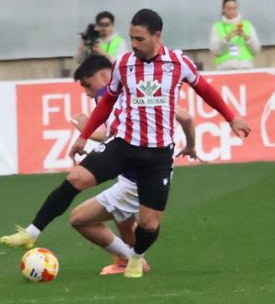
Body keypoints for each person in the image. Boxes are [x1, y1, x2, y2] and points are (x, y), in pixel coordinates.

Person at [6, 10, 251, 278]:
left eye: (140, 39)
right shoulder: (124, 64)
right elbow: (109, 101)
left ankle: (135, 257)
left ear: (157, 36)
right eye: (131, 38)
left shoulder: (178, 63)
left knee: (149, 224)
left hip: (158, 156)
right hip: (124, 146)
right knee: (75, 178)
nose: (134, 44)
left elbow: (205, 90)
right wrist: (84, 135)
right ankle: (31, 233)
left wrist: (231, 117)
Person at [64, 55, 200, 276]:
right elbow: (185, 116)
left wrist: (84, 128)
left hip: (137, 178)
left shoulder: (109, 95)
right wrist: (191, 145)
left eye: (88, 86)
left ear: (104, 76)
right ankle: (129, 259)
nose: (88, 93)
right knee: (124, 219)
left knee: (79, 219)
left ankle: (130, 260)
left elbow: (110, 133)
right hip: (141, 173)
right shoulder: (136, 88)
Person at [208, 0, 261, 70]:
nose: (232, 11)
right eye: (229, 8)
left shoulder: (247, 25)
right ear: (223, 9)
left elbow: (256, 50)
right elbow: (215, 51)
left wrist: (246, 37)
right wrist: (227, 38)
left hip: (246, 68)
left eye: (234, 8)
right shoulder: (217, 26)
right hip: (226, 69)